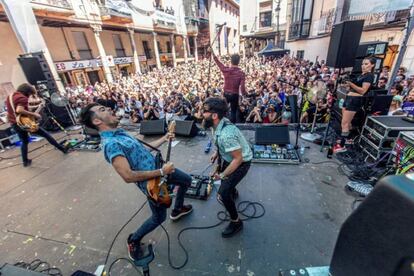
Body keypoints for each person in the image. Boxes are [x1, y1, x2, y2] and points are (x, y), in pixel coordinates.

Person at [79, 103, 193, 261]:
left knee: (186, 180)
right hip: (152, 185)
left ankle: (178, 209)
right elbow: (128, 176)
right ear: (97, 121)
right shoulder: (111, 144)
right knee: (158, 218)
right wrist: (161, 172)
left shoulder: (120, 133)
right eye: (102, 110)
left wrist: (164, 138)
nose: (109, 109)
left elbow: (142, 151)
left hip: (160, 169)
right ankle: (133, 240)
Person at [202, 97, 252, 237]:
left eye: (204, 111)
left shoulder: (226, 135)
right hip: (229, 158)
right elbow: (220, 142)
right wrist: (217, 152)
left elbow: (238, 159)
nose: (201, 114)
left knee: (223, 193)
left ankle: (236, 222)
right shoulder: (217, 125)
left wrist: (222, 175)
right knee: (228, 187)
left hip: (241, 163)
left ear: (214, 115)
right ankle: (233, 192)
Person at [5, 83, 67, 167]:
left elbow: (22, 108)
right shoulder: (22, 98)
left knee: (24, 141)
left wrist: (38, 106)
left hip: (15, 123)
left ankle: (25, 161)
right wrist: (35, 115)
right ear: (27, 91)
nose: (30, 96)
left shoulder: (11, 96)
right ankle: (62, 149)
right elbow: (19, 110)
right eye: (30, 94)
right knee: (46, 135)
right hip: (25, 123)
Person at [334, 57, 376, 153]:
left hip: (355, 100)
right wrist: (346, 86)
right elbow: (355, 88)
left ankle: (342, 146)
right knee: (346, 122)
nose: (363, 66)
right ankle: (347, 139)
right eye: (362, 64)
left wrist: (351, 84)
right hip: (349, 98)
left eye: (366, 64)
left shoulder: (369, 76)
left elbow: (363, 91)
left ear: (372, 65)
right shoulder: (362, 75)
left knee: (345, 123)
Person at [209, 46, 247, 123]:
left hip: (226, 94)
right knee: (233, 111)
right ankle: (232, 127)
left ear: (231, 61)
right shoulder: (241, 73)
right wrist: (246, 94)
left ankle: (222, 125)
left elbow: (218, 63)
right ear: (238, 61)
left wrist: (212, 52)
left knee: (223, 110)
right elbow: (242, 89)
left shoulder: (226, 70)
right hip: (235, 95)